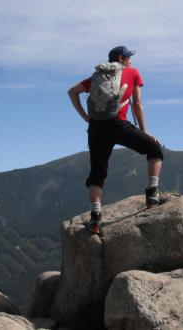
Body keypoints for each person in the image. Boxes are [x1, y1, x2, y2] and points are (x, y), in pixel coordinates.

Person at [68, 46, 163, 234]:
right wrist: (145, 132)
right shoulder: (133, 72)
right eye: (128, 57)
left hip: (96, 128)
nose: (131, 61)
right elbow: (137, 104)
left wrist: (86, 117)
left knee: (97, 174)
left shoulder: (97, 77)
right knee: (155, 149)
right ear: (121, 58)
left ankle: (96, 220)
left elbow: (72, 92)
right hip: (118, 124)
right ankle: (152, 195)